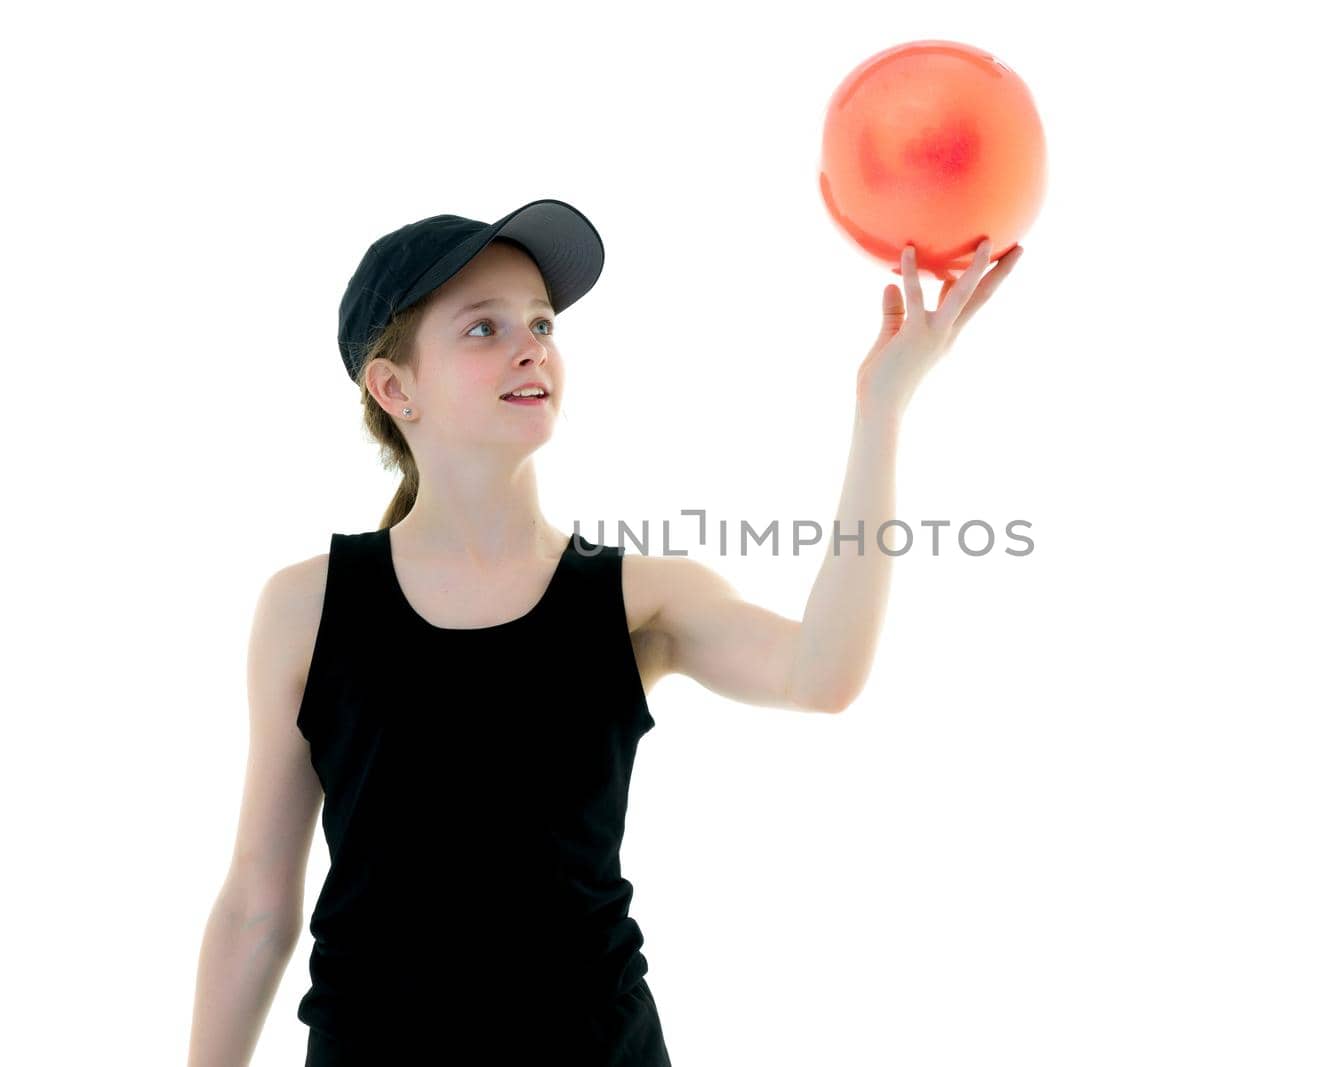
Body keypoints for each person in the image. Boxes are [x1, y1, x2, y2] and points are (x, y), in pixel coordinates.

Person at [185, 198, 1023, 1065]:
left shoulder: (637, 599)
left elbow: (824, 671)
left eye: (541, 322)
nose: (531, 345)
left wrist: (880, 409)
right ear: (395, 387)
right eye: (483, 328)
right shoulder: (308, 607)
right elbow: (255, 903)